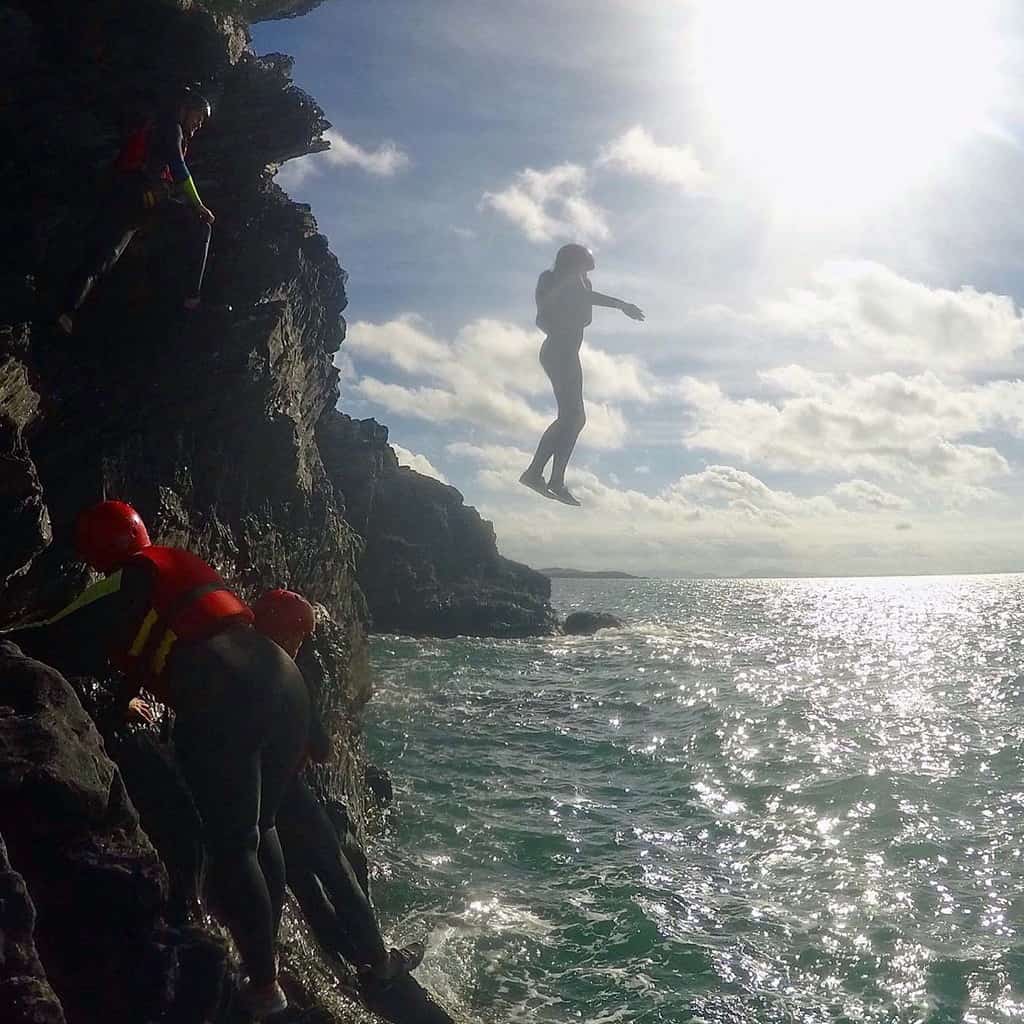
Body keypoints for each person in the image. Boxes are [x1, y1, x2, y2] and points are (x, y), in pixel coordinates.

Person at [2, 502, 307, 1020]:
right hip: (283, 683)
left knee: (234, 846)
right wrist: (124, 697)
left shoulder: (130, 576)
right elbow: (156, 641)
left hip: (228, 696)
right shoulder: (178, 566)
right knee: (260, 830)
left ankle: (263, 987)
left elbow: (58, 633)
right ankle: (268, 959)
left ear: (99, 549)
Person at [251, 589, 425, 987]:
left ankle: (334, 950)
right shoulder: (284, 674)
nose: (299, 646)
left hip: (248, 793)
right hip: (283, 791)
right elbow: (323, 750)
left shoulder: (232, 660)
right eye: (297, 637)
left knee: (300, 878)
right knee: (335, 865)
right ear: (284, 632)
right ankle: (377, 960)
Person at [56, 86, 221, 336]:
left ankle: (66, 312)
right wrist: (198, 206)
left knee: (106, 256)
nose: (199, 123)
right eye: (197, 115)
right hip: (139, 196)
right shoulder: (171, 128)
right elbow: (178, 168)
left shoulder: (162, 130)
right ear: (184, 110)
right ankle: (191, 301)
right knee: (200, 227)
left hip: (132, 200)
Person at [520, 243, 644, 506]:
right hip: (558, 352)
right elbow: (566, 302)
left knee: (574, 418)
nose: (592, 258)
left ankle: (551, 478)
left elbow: (583, 296)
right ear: (574, 260)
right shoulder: (559, 280)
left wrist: (620, 305)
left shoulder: (581, 283)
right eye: (586, 256)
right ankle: (539, 475)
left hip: (566, 353)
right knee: (573, 416)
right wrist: (621, 304)